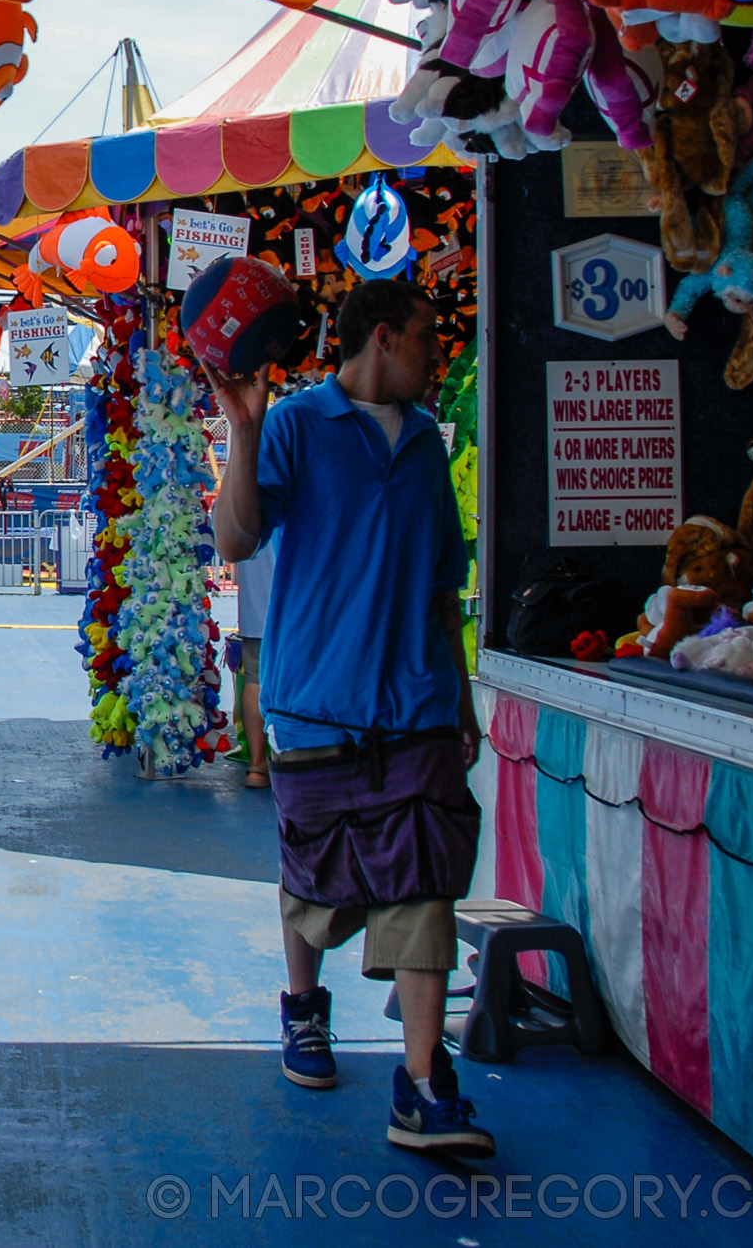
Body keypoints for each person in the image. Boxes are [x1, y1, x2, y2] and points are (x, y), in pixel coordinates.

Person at [206, 278, 488, 1156]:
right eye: (425, 337)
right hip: (316, 699)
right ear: (379, 338)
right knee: (315, 879)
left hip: (415, 703)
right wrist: (244, 433)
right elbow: (236, 537)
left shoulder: (427, 451)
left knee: (422, 883)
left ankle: (421, 1082)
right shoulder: (295, 424)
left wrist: (464, 699)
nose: (437, 352)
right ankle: (304, 1007)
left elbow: (443, 587)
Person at [232, 539, 276, 791]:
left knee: (254, 678)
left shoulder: (245, 506)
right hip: (297, 609)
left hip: (254, 609)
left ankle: (257, 765)